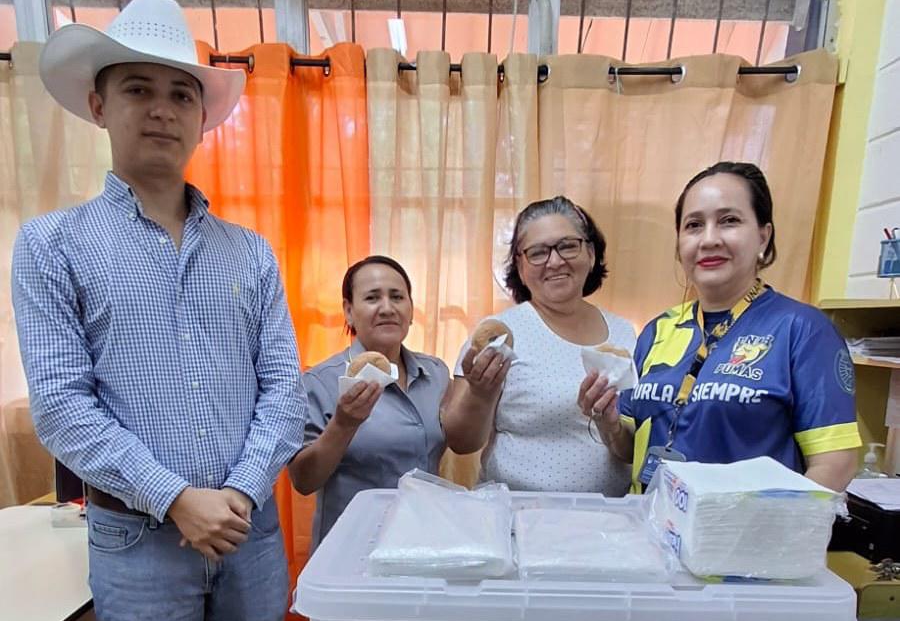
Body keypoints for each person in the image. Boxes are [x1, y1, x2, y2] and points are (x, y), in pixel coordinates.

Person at [11, 0, 308, 621]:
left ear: (201, 115)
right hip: (140, 541)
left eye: (180, 91)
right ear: (98, 104)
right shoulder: (51, 248)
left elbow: (284, 386)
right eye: (137, 87)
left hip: (252, 529)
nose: (161, 107)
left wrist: (233, 490)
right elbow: (61, 407)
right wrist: (176, 496)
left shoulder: (250, 253)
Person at [589, 161, 861, 492]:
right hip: (654, 533)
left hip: (748, 538)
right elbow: (631, 449)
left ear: (763, 235)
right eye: (693, 225)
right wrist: (609, 423)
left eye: (729, 221)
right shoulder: (658, 330)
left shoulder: (802, 330)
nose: (709, 239)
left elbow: (835, 464)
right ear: (679, 244)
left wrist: (763, 533)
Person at [442, 196, 636, 494]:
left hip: (606, 520)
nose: (555, 261)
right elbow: (461, 442)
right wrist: (480, 395)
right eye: (537, 253)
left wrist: (609, 426)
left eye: (568, 246)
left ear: (591, 253)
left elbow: (635, 445)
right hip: (517, 517)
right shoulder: (499, 336)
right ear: (519, 266)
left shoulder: (626, 334)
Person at [290, 255, 450, 547]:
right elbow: (303, 480)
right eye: (372, 298)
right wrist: (343, 424)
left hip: (425, 541)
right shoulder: (320, 381)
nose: (387, 308)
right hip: (353, 545)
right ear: (349, 312)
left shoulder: (436, 373)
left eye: (397, 297)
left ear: (411, 310)